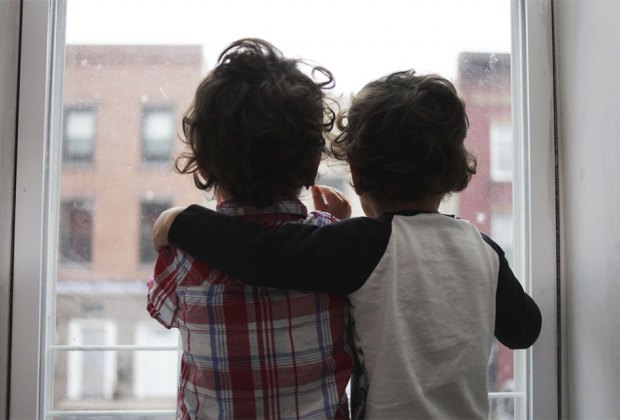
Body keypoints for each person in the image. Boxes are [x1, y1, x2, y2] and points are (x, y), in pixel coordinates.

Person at [152, 70, 542, 419]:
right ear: (453, 169)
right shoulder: (482, 248)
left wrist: (184, 222)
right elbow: (524, 330)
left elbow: (262, 255)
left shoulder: (363, 245)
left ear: (355, 173)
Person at [147, 38, 354, 419]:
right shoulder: (337, 248)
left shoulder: (185, 255)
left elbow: (162, 310)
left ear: (203, 167)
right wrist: (341, 227)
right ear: (311, 166)